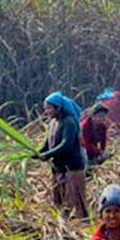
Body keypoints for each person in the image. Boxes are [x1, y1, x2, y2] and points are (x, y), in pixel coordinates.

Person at [38, 91, 88, 220]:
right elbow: (47, 143)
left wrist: (47, 155)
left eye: (49, 108)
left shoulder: (69, 122)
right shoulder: (52, 123)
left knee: (74, 202)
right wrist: (38, 153)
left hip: (72, 168)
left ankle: (78, 227)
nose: (47, 111)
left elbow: (66, 145)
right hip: (58, 168)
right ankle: (63, 225)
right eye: (45, 108)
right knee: (59, 201)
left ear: (58, 108)